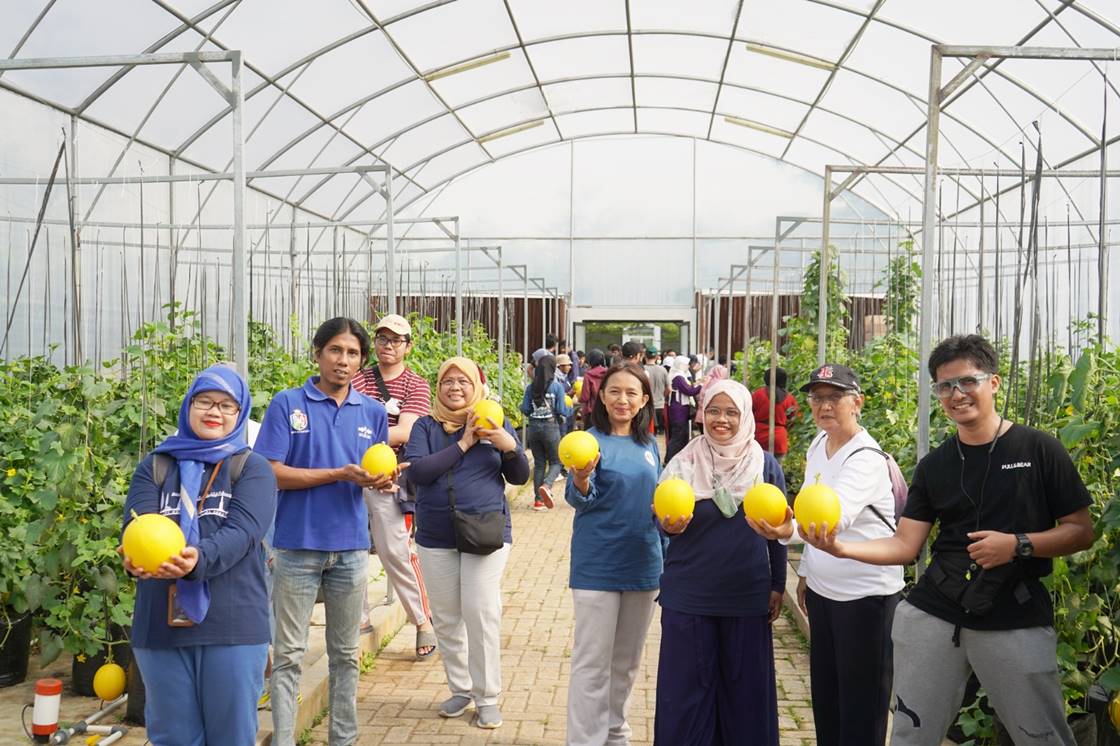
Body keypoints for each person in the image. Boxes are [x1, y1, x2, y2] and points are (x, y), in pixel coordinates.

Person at [795, 336, 1094, 746]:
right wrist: (840, 548)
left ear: (994, 383)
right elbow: (904, 545)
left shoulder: (1039, 449)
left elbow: (1081, 530)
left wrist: (1019, 544)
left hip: (1014, 616)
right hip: (936, 612)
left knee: (1040, 733)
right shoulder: (936, 465)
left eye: (967, 382)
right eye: (944, 386)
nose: (956, 395)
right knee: (910, 731)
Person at [255, 318, 395, 746]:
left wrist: (382, 482)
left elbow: (375, 471)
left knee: (346, 655)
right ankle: (283, 739)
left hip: (351, 547)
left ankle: (343, 739)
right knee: (289, 656)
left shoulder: (372, 412)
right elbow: (270, 472)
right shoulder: (288, 403)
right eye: (335, 350)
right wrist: (336, 473)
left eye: (353, 353)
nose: (344, 360)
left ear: (362, 362)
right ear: (317, 354)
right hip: (296, 545)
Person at [121, 365, 277, 746]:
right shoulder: (156, 466)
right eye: (205, 400)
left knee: (233, 737)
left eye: (227, 405)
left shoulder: (250, 468)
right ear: (188, 405)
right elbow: (138, 525)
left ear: (240, 414)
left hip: (232, 624)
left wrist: (196, 559)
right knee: (173, 737)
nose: (215, 411)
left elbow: (242, 532)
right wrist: (133, 556)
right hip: (160, 625)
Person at [753, 363, 905, 746]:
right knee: (828, 698)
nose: (824, 406)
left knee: (862, 705)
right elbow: (808, 507)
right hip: (825, 594)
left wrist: (784, 531)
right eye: (817, 398)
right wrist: (806, 571)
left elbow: (826, 522)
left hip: (865, 598)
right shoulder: (819, 445)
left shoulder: (865, 459)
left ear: (857, 402)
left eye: (834, 397)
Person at [654, 379, 787, 745]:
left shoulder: (764, 465)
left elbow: (776, 529)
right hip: (688, 595)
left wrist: (778, 584)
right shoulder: (682, 462)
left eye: (731, 412)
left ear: (744, 416)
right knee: (683, 694)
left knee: (745, 694)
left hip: (745, 594)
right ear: (702, 413)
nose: (721, 420)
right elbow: (661, 522)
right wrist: (667, 525)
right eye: (714, 410)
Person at [404, 357, 530, 730]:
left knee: (480, 611)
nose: (455, 387)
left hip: (486, 532)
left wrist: (509, 445)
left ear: (477, 386)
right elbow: (420, 474)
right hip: (436, 535)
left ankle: (487, 696)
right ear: (438, 387)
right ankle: (461, 688)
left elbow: (519, 475)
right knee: (445, 616)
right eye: (447, 381)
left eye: (463, 381)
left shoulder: (495, 421)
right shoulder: (425, 427)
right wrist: (464, 442)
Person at [565, 362, 663, 746]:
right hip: (598, 565)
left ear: (644, 401)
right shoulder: (586, 443)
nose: (623, 399)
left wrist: (666, 560)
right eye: (614, 392)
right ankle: (585, 740)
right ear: (601, 398)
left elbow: (658, 504)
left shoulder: (649, 446)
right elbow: (579, 501)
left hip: (643, 565)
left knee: (625, 664)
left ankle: (615, 734)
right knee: (592, 664)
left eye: (631, 393)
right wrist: (581, 478)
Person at [351, 313, 436, 659]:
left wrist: (355, 434)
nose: (388, 345)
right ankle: (359, 618)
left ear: (408, 346)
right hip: (351, 472)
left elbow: (405, 431)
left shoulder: (416, 385)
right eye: (383, 338)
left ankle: (422, 620)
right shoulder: (358, 379)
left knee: (395, 550)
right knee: (351, 547)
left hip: (389, 477)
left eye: (396, 340)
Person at [521, 355, 573, 510]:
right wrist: (570, 409)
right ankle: (547, 485)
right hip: (551, 428)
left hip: (534, 428)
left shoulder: (531, 387)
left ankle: (538, 501)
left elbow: (525, 409)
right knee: (557, 462)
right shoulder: (556, 387)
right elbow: (561, 410)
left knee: (539, 464)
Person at [752, 366, 799, 459]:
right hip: (779, 437)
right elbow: (795, 418)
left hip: (759, 436)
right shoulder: (790, 398)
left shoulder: (758, 394)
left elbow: (749, 414)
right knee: (776, 470)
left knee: (758, 469)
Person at [665, 356, 701, 465]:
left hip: (679, 409)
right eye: (686, 364)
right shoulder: (678, 377)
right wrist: (701, 386)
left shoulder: (679, 376)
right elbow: (688, 391)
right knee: (678, 435)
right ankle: (669, 459)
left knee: (680, 434)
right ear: (680, 365)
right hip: (679, 410)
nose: (687, 366)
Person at [644, 349, 670, 436]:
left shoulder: (642, 369)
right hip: (661, 405)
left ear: (645, 356)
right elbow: (669, 388)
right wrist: (663, 395)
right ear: (656, 357)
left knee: (650, 433)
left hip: (647, 405)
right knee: (662, 434)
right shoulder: (663, 370)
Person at [578, 349, 609, 415]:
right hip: (606, 409)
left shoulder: (588, 375)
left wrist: (579, 399)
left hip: (592, 411)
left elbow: (585, 396)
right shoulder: (608, 373)